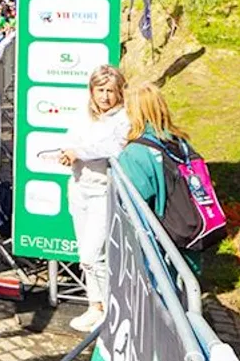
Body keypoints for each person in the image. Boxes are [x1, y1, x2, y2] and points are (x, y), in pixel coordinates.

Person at [56, 66, 129, 334]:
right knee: (84, 256)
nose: (105, 96)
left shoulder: (123, 118)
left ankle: (110, 309)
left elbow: (113, 147)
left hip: (103, 191)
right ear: (92, 91)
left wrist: (80, 152)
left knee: (93, 254)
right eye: (100, 90)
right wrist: (67, 153)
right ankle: (94, 305)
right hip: (78, 188)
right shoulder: (82, 114)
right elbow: (70, 140)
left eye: (111, 91)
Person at [117, 83, 205, 275]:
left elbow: (133, 204)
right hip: (192, 232)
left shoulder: (134, 154)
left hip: (161, 243)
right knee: (187, 296)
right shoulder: (180, 142)